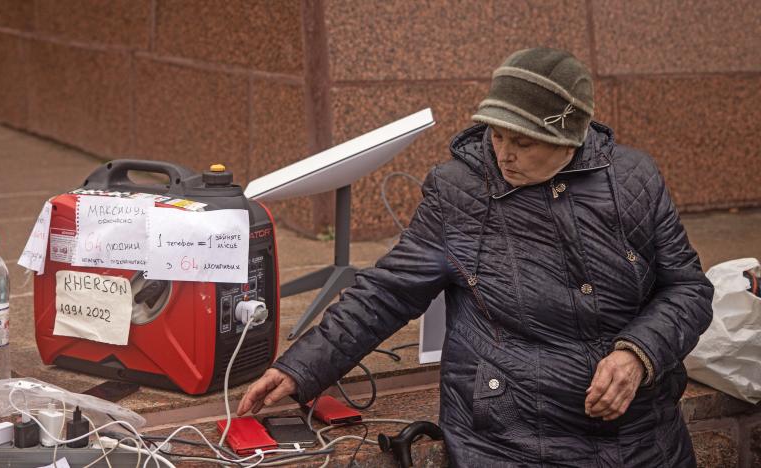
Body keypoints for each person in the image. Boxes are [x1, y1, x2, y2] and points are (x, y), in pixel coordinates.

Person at [238, 47, 714, 467]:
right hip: (513, 438)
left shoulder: (634, 179)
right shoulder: (458, 192)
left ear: (572, 135)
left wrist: (639, 353)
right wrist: (300, 368)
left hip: (644, 437)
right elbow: (387, 292)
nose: (504, 153)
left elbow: (688, 289)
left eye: (523, 142)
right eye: (497, 135)